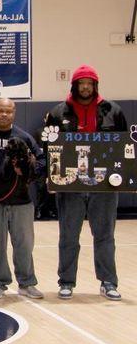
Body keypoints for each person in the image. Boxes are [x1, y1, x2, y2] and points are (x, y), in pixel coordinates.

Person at [45, 64, 126, 300]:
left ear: (95, 85)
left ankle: (108, 281)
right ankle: (66, 281)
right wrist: (52, 178)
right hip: (71, 183)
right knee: (68, 235)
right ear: (75, 85)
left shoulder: (113, 110)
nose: (86, 88)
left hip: (104, 184)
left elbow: (124, 146)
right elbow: (50, 147)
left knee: (105, 235)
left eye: (90, 84)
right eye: (82, 84)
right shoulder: (59, 112)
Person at [0, 99, 45, 300]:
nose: (4, 115)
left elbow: (42, 161)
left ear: (14, 114)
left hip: (22, 201)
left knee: (24, 244)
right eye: (0, 111)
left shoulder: (23, 137)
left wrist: (29, 169)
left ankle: (27, 283)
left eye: (8, 111)